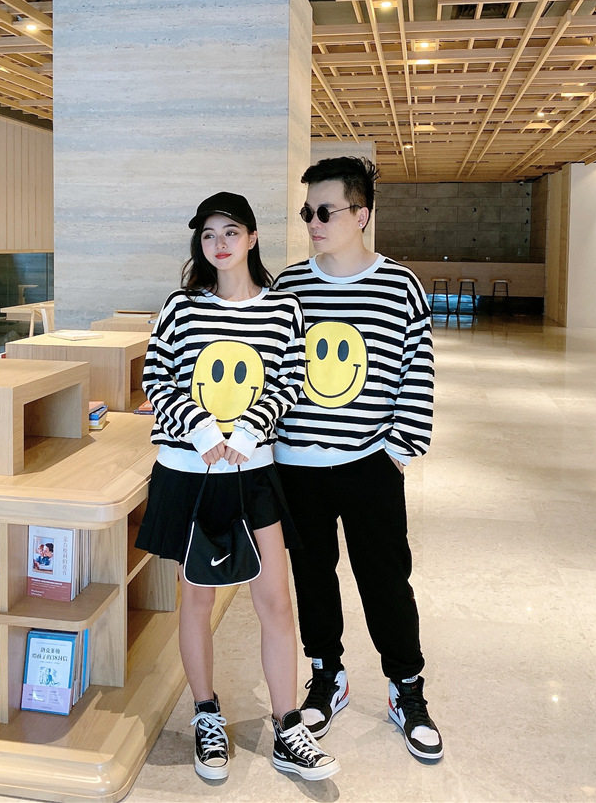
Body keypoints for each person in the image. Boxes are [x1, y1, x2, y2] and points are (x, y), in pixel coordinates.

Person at [135, 192, 339, 782]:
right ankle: (206, 715)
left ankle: (287, 725)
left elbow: (292, 377)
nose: (219, 243)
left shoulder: (282, 308)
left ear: (252, 238)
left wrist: (250, 429)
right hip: (190, 472)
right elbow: (157, 377)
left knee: (275, 599)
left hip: (254, 473)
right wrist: (201, 429)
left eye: (230, 231)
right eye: (208, 235)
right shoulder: (181, 307)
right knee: (197, 600)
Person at [273, 157, 443, 762]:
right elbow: (272, 366)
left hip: (369, 461)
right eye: (307, 212)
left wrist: (398, 450)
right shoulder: (288, 287)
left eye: (326, 211)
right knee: (312, 575)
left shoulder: (399, 286)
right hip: (296, 464)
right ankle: (327, 675)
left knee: (385, 577)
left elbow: (417, 372)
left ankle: (407, 687)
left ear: (361, 214)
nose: (313, 223)